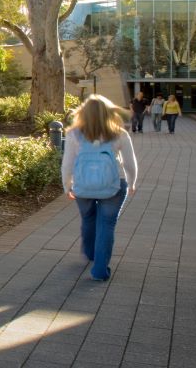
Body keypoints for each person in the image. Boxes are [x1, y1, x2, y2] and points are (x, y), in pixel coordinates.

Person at [61, 94, 138, 282]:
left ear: (83, 114)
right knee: (107, 225)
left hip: (83, 186)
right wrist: (132, 182)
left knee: (88, 218)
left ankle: (90, 252)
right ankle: (100, 270)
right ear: (108, 112)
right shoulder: (119, 133)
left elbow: (67, 164)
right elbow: (129, 163)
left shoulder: (73, 134)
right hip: (113, 186)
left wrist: (67, 186)